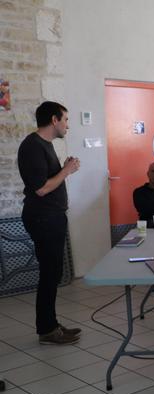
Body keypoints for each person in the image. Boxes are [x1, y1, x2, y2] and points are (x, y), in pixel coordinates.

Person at [18, 101, 81, 345]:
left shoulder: (43, 144)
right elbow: (42, 189)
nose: (67, 125)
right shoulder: (32, 146)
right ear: (54, 120)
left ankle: (51, 324)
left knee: (53, 272)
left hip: (51, 217)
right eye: (65, 120)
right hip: (43, 218)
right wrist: (66, 171)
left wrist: (64, 168)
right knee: (49, 273)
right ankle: (46, 329)